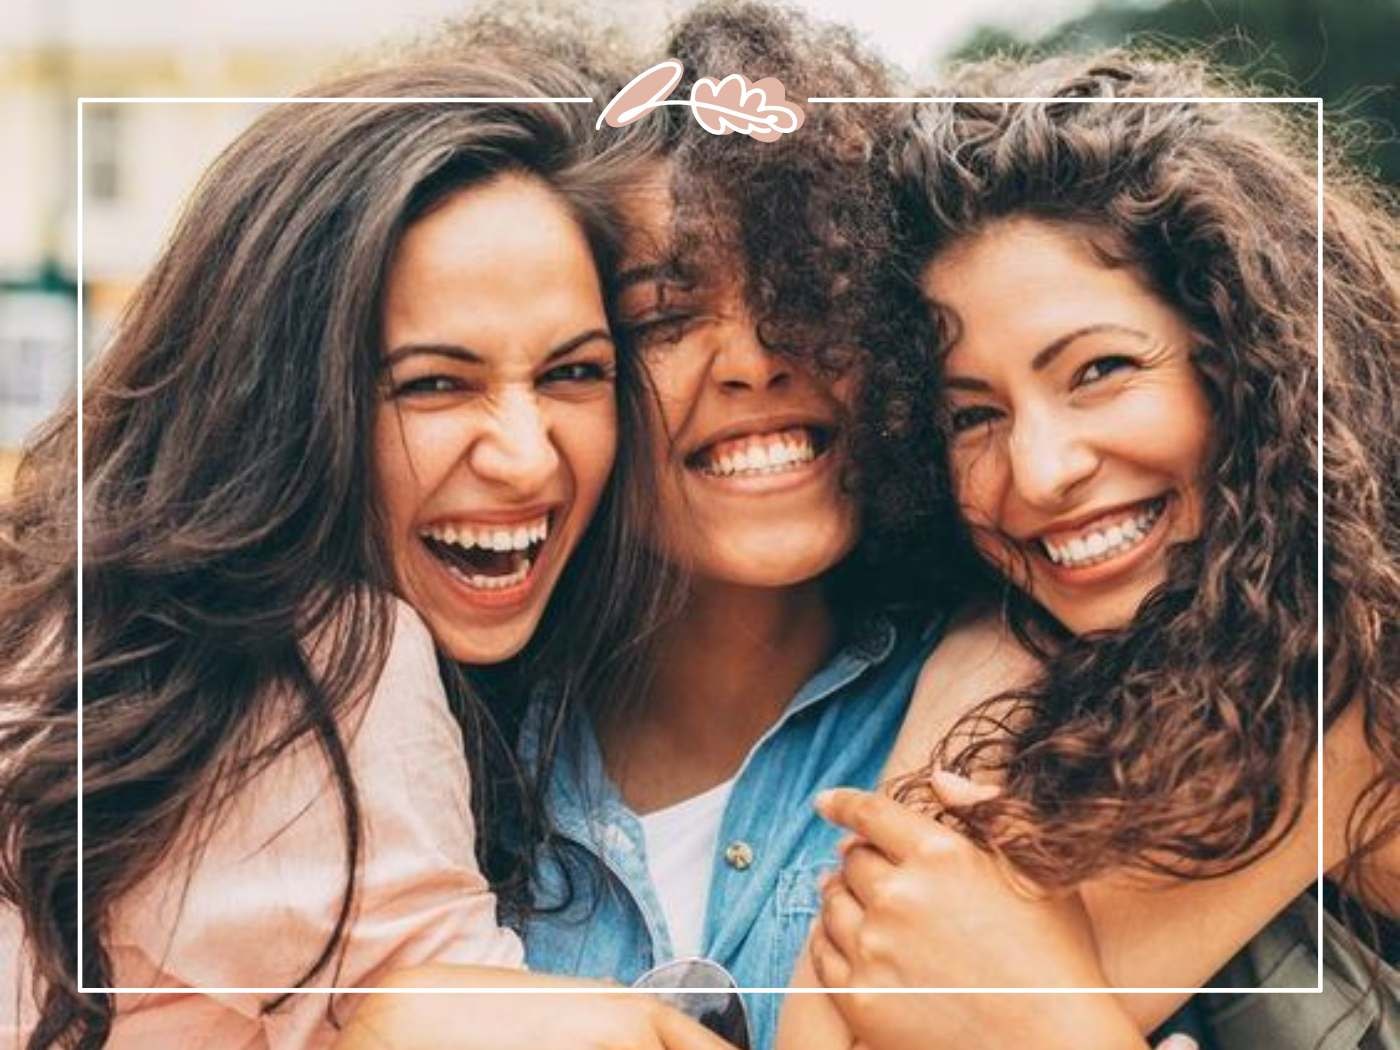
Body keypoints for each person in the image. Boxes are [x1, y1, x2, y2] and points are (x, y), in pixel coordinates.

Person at [0, 54, 731, 1050]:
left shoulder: (95, 645)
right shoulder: (321, 653)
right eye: (432, 385)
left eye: (573, 371)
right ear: (278, 401)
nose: (523, 458)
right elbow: (443, 1013)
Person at [782, 51, 1398, 1050]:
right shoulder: (1095, 654)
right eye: (970, 415)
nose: (1038, 471)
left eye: (1098, 370)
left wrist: (1053, 1024)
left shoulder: (1346, 677)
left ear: (1248, 362)